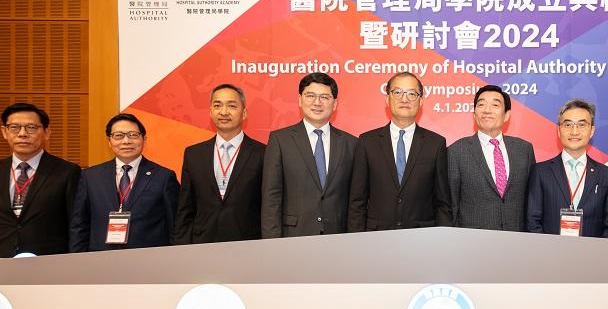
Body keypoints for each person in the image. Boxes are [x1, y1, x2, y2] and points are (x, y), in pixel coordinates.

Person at [0, 102, 81, 257]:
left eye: (31, 127)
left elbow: (76, 225)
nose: (22, 133)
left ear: (47, 132)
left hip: (47, 261)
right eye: (14, 127)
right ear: (4, 132)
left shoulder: (67, 172)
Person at [348, 72, 450, 231]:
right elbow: (357, 201)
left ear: (421, 100)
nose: (405, 99)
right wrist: (356, 241)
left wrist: (442, 241)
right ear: (387, 99)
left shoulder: (435, 143)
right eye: (398, 92)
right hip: (376, 237)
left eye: (412, 94)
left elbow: (442, 203)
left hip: (422, 238)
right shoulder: (367, 141)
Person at [262, 72, 357, 237]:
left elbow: (355, 199)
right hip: (293, 235)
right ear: (300, 100)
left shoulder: (351, 143)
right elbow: (271, 197)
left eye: (324, 97)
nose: (317, 103)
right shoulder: (280, 140)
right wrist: (272, 244)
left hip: (337, 236)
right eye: (310, 96)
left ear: (335, 104)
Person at [69, 113, 179, 252]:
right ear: (109, 141)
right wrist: (78, 261)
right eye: (119, 135)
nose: (126, 141)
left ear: (144, 139)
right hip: (101, 259)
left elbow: (175, 225)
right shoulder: (90, 177)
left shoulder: (164, 177)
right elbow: (79, 225)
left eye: (133, 135)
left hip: (148, 261)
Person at [172, 83, 266, 244]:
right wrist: (181, 247)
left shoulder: (263, 153)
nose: (224, 112)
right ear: (210, 111)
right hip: (203, 243)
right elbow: (185, 208)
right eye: (217, 105)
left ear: (244, 113)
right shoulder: (193, 154)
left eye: (231, 106)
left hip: (248, 244)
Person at [526, 99, 608, 238]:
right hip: (550, 255)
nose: (574, 131)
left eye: (581, 125)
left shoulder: (606, 175)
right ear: (559, 130)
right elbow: (533, 222)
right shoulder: (540, 172)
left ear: (592, 131)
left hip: (593, 256)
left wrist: (597, 256)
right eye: (568, 124)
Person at [447, 84, 535, 231]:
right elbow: (451, 205)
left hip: (518, 241)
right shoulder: (456, 151)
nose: (487, 110)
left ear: (507, 115)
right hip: (473, 244)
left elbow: (532, 202)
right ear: (474, 114)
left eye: (495, 105)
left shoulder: (524, 150)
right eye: (481, 105)